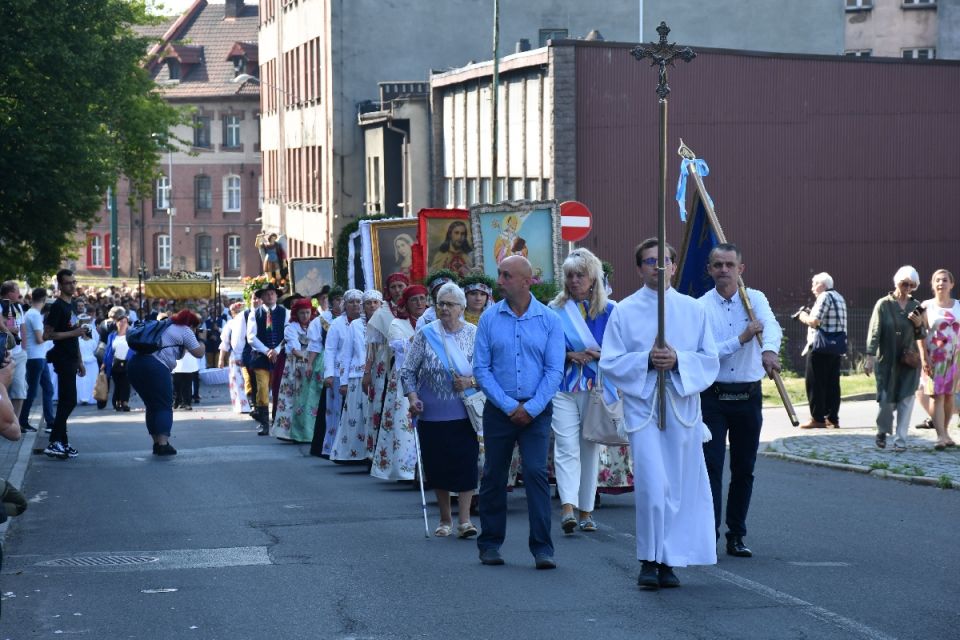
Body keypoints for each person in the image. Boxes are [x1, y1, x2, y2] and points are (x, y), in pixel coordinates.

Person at [599, 238, 719, 589]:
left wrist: (679, 360)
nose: (658, 267)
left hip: (681, 408)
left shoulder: (693, 310)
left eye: (663, 260)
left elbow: (709, 359)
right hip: (644, 408)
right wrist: (647, 361)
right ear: (639, 268)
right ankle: (648, 559)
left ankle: (670, 560)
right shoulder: (624, 310)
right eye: (650, 261)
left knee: (678, 488)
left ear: (674, 265)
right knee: (653, 486)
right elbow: (610, 361)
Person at [473, 255, 565, 569]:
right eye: (500, 274)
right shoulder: (489, 318)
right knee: (494, 475)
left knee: (537, 473)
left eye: (506, 275)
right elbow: (481, 370)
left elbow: (554, 371)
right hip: (501, 409)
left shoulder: (549, 319)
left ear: (526, 281)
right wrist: (511, 406)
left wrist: (532, 407)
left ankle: (542, 549)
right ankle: (490, 544)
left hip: (537, 410)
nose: (499, 281)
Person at [698, 243, 782, 558]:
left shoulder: (754, 299)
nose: (724, 270)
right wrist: (741, 339)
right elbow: (705, 353)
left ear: (740, 269)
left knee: (744, 468)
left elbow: (771, 326)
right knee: (712, 466)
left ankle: (736, 534)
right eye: (717, 265)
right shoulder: (701, 307)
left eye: (729, 265)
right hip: (714, 397)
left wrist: (769, 350)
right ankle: (709, 535)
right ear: (709, 269)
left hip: (748, 395)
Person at [403, 282, 480, 537]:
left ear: (461, 308)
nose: (443, 308)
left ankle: (465, 521)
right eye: (440, 303)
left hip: (465, 411)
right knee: (438, 465)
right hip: (432, 413)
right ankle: (445, 519)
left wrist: (470, 382)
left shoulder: (474, 333)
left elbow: (487, 371)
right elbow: (408, 370)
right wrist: (413, 398)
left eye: (449, 304)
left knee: (466, 464)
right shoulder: (426, 334)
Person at [548, 248, 616, 535]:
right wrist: (569, 355)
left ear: (593, 278)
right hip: (563, 387)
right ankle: (567, 507)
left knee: (589, 448)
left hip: (596, 388)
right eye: (570, 275)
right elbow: (544, 349)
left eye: (580, 275)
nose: (574, 280)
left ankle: (586, 510)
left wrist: (598, 354)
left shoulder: (612, 310)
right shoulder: (554, 310)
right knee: (565, 448)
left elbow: (623, 349)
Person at [127, 309, 206, 456]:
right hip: (156, 366)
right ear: (192, 324)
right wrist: (202, 339)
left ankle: (156, 442)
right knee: (164, 405)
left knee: (152, 405)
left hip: (135, 364)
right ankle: (163, 444)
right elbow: (199, 352)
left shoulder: (163, 325)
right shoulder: (185, 330)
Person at [371, 285, 428, 481]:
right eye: (414, 300)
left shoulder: (432, 321)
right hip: (405, 378)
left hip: (427, 378)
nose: (419, 303)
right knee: (405, 424)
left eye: (422, 298)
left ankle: (426, 468)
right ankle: (406, 468)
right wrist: (421, 332)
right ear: (406, 303)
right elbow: (401, 347)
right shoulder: (397, 323)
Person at [863, 267, 924, 451]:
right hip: (887, 361)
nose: (907, 287)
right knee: (886, 401)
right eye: (904, 283)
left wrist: (919, 324)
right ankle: (882, 430)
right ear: (896, 282)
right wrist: (869, 356)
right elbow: (875, 332)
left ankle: (901, 441)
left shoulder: (917, 306)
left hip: (908, 361)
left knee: (906, 398)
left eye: (911, 285)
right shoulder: (883, 304)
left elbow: (921, 336)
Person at [331, 290, 382, 461]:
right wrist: (343, 381)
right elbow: (346, 354)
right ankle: (355, 454)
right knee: (356, 417)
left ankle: (374, 454)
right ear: (364, 307)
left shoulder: (387, 323)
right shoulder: (355, 325)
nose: (372, 306)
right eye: (368, 303)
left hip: (379, 377)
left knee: (374, 416)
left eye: (376, 302)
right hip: (356, 377)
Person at [43, 270, 86, 460]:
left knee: (66, 401)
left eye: (74, 282)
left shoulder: (73, 306)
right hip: (62, 358)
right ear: (60, 285)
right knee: (68, 401)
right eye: (68, 283)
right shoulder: (58, 307)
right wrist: (72, 334)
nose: (72, 285)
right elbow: (47, 335)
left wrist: (80, 361)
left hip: (71, 357)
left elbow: (75, 334)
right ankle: (54, 441)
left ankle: (63, 441)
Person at [798, 273, 848, 429]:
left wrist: (802, 316)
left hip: (820, 346)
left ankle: (817, 418)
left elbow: (815, 321)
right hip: (835, 347)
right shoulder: (839, 297)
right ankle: (832, 418)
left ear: (823, 284)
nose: (812, 288)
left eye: (814, 284)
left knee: (815, 383)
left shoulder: (824, 297)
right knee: (832, 383)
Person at [918, 269, 960, 450]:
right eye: (937, 280)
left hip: (955, 359)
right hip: (935, 357)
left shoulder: (959, 305)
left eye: (944, 280)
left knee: (950, 395)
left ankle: (946, 433)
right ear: (932, 285)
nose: (941, 283)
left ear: (952, 284)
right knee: (936, 396)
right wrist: (924, 357)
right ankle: (940, 435)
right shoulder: (925, 306)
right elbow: (917, 332)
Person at [321, 289, 362, 456]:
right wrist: (329, 374)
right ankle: (332, 447)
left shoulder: (365, 323)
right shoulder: (338, 324)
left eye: (358, 302)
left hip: (357, 374)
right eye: (351, 302)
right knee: (336, 411)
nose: (355, 305)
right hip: (338, 373)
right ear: (345, 305)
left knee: (354, 412)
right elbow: (329, 350)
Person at [272, 298, 318, 443]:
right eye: (302, 313)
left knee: (309, 398)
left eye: (307, 312)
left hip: (311, 362)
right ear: (296, 314)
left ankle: (308, 431)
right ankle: (287, 432)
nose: (305, 316)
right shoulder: (291, 327)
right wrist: (309, 356)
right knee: (292, 397)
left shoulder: (315, 325)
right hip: (295, 365)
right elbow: (295, 348)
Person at [246, 283, 289, 435]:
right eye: (267, 294)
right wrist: (267, 351)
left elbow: (287, 334)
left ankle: (277, 421)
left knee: (278, 389)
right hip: (261, 358)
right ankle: (264, 423)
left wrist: (276, 350)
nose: (270, 296)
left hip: (280, 356)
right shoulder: (254, 314)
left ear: (276, 296)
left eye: (272, 293)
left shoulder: (285, 312)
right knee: (263, 388)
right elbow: (251, 337)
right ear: (262, 297)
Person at [19, 288, 52, 432]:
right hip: (35, 357)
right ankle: (22, 420)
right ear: (44, 299)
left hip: (39, 356)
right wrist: (50, 335)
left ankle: (50, 420)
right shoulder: (35, 315)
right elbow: (39, 339)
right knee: (32, 391)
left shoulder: (30, 313)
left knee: (48, 389)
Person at [0, 281, 27, 423]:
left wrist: (24, 350)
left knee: (19, 389)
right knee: (3, 390)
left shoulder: (18, 307)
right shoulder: (0, 306)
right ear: (9, 293)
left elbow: (22, 328)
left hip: (18, 354)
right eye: (17, 291)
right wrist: (9, 330)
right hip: (4, 354)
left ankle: (14, 423)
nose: (19, 294)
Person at [102, 308, 131, 411]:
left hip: (128, 362)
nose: (123, 324)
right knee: (118, 384)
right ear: (117, 323)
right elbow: (108, 350)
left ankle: (125, 403)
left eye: (125, 322)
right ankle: (117, 402)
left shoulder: (130, 335)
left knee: (126, 383)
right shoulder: (112, 336)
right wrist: (104, 363)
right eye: (121, 322)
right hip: (115, 363)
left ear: (127, 324)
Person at [75, 315, 99, 405]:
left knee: (92, 380)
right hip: (82, 363)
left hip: (92, 364)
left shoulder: (92, 342)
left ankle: (91, 397)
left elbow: (94, 350)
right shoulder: (78, 341)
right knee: (81, 381)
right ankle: (82, 397)